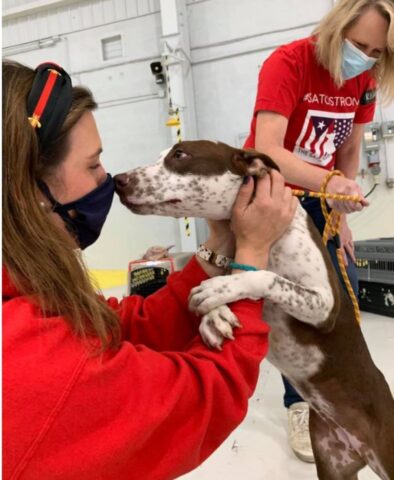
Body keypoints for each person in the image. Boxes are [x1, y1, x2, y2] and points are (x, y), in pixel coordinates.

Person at [2, 59, 298, 480]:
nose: (108, 177)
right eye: (92, 165)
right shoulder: (26, 366)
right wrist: (251, 260)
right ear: (25, 188)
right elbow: (201, 398)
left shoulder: (20, 284)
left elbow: (113, 326)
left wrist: (217, 248)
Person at [244, 0, 394, 464]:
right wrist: (330, 183)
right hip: (274, 197)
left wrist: (340, 213)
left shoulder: (362, 80)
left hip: (320, 200)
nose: (365, 57)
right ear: (335, 28)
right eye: (358, 45)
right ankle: (299, 404)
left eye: (375, 51)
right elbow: (268, 149)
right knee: (294, 308)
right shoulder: (287, 63)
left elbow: (349, 147)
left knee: (339, 302)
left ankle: (339, 402)